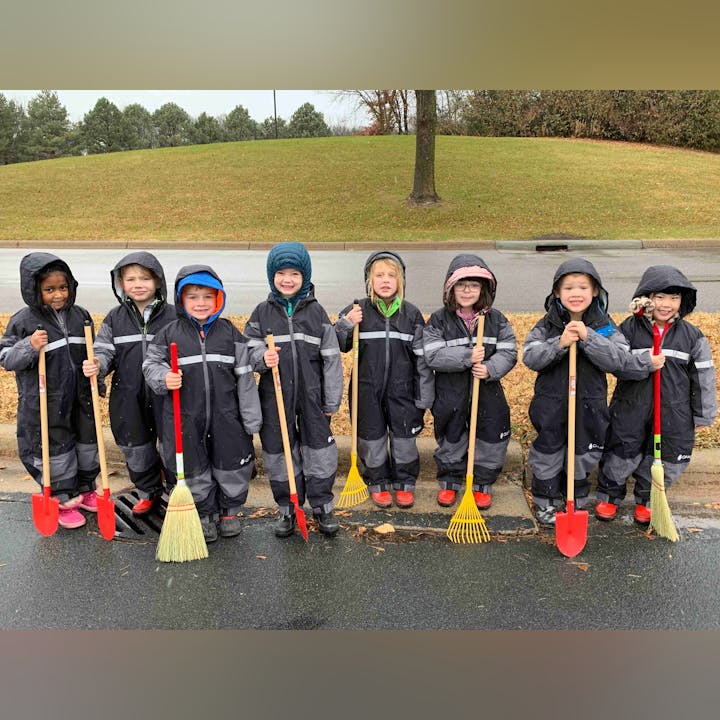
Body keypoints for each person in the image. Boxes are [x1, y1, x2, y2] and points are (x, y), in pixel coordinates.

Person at [142, 265, 261, 543]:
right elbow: (151, 364)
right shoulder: (170, 333)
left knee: (231, 462)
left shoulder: (228, 331)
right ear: (181, 300)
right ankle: (205, 513)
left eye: (208, 297)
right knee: (193, 465)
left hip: (226, 414)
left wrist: (263, 359)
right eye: (193, 297)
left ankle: (229, 510)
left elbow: (248, 358)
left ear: (218, 299)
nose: (201, 303)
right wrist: (165, 377)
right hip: (185, 415)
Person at [595, 265, 717, 523]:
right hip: (631, 404)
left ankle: (648, 497)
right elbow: (617, 363)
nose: (667, 304)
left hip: (674, 409)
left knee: (668, 454)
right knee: (621, 448)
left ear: (683, 302)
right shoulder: (629, 329)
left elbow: (703, 376)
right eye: (660, 297)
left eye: (674, 298)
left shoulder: (691, 336)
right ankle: (609, 494)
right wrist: (643, 362)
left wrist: (704, 413)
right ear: (645, 298)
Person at [245, 241, 343, 538]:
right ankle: (288, 507)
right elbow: (247, 348)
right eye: (281, 273)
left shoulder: (317, 312)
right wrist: (262, 357)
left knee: (319, 450)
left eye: (295, 274)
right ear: (271, 276)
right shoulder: (262, 312)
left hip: (312, 397)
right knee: (277, 451)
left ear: (306, 277)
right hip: (275, 397)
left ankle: (322, 504)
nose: (287, 279)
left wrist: (331, 400)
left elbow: (332, 359)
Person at [522, 258, 630, 526]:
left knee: (584, 451)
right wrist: (559, 343)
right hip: (551, 402)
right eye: (568, 287)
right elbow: (530, 356)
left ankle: (575, 498)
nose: (576, 293)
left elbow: (618, 359)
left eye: (583, 287)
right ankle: (546, 501)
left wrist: (588, 337)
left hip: (589, 403)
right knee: (548, 451)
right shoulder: (547, 324)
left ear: (595, 291)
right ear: (557, 292)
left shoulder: (604, 324)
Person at [0, 253, 100, 529]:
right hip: (45, 398)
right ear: (34, 290)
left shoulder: (80, 316)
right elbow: (7, 357)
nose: (58, 295)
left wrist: (96, 376)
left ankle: (86, 486)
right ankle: (62, 497)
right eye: (49, 289)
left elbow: (91, 352)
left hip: (80, 396)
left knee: (86, 444)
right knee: (56, 449)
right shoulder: (23, 321)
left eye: (63, 288)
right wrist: (29, 345)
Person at [335, 250, 433, 509]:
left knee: (403, 439)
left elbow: (421, 360)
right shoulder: (357, 310)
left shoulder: (411, 314)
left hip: (403, 390)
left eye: (392, 275)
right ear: (369, 280)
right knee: (372, 437)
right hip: (367, 389)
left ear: (401, 281)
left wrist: (423, 396)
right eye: (379, 275)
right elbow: (337, 343)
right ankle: (377, 483)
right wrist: (346, 324)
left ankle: (404, 483)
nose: (386, 280)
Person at [82, 252, 175, 515]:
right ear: (120, 283)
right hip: (128, 395)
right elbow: (103, 349)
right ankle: (148, 491)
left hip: (167, 394)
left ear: (158, 281)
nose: (138, 284)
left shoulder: (174, 315)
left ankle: (177, 491)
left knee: (173, 445)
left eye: (145, 278)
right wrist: (97, 363)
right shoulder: (115, 317)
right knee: (136, 447)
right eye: (130, 279)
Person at [423, 254, 517, 509]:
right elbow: (432, 355)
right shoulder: (439, 320)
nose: (467, 290)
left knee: (489, 436)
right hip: (450, 392)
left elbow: (509, 352)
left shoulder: (496, 321)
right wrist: (466, 356)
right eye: (461, 284)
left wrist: (489, 368)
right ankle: (450, 482)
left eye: (474, 285)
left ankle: (482, 484)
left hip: (487, 390)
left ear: (484, 289)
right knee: (451, 436)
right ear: (450, 288)